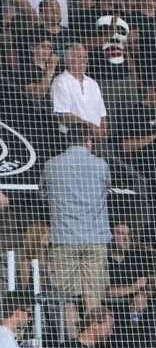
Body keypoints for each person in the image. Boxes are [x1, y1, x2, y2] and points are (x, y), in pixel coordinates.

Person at [41, 127, 112, 322]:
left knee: (68, 299)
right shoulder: (100, 164)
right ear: (88, 142)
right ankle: (94, 346)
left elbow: (43, 194)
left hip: (64, 237)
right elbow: (106, 190)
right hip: (95, 238)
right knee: (93, 296)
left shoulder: (51, 165)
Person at [50, 44, 109, 141]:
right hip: (73, 139)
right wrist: (92, 128)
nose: (84, 61)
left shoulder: (93, 83)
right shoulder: (60, 82)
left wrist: (102, 131)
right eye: (79, 57)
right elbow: (64, 116)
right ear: (67, 60)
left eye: (85, 57)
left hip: (96, 140)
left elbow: (102, 115)